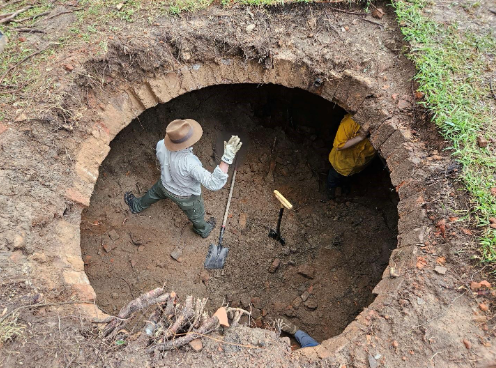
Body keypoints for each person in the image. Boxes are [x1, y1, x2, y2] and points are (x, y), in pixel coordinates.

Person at [124, 119, 242, 238]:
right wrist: (226, 159)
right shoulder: (190, 163)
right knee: (197, 215)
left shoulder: (161, 144)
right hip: (186, 197)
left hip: (164, 184)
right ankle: (203, 230)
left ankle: (136, 206)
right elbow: (213, 183)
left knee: (152, 194)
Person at [327, 114, 376, 199]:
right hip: (341, 162)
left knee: (348, 178)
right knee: (334, 176)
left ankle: (343, 186)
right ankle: (331, 188)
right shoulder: (350, 123)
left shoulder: (380, 132)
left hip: (357, 166)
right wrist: (360, 137)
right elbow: (339, 146)